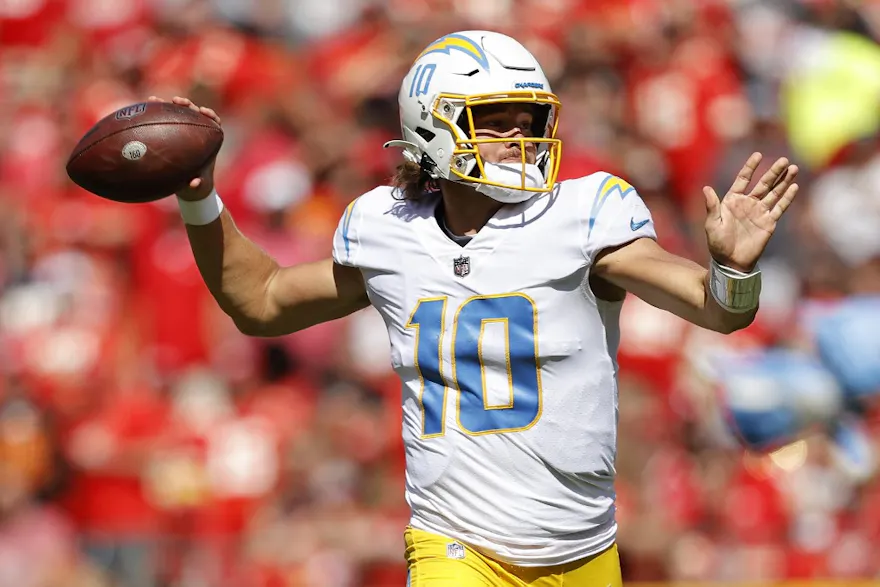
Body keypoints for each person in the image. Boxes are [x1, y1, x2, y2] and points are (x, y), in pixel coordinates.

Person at [149, 30, 798, 587]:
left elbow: (718, 311)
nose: (519, 134)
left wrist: (732, 269)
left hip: (584, 548)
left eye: (527, 117)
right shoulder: (387, 227)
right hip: (455, 544)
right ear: (431, 124)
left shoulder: (584, 214)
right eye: (495, 119)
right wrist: (201, 200)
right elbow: (260, 302)